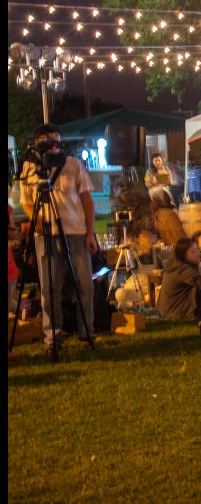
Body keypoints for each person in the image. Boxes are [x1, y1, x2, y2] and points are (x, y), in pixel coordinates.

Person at [18, 123, 98, 354]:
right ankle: (53, 338)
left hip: (75, 231)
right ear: (37, 143)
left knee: (85, 284)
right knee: (49, 288)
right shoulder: (29, 168)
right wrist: (37, 219)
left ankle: (87, 334)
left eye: (57, 141)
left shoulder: (73, 164)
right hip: (45, 233)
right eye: (48, 141)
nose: (53, 146)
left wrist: (90, 232)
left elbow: (87, 200)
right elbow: (25, 200)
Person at [157, 237, 201, 321]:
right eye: (192, 251)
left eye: (197, 249)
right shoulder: (182, 269)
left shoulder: (175, 265)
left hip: (166, 312)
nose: (197, 253)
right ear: (182, 254)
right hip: (174, 314)